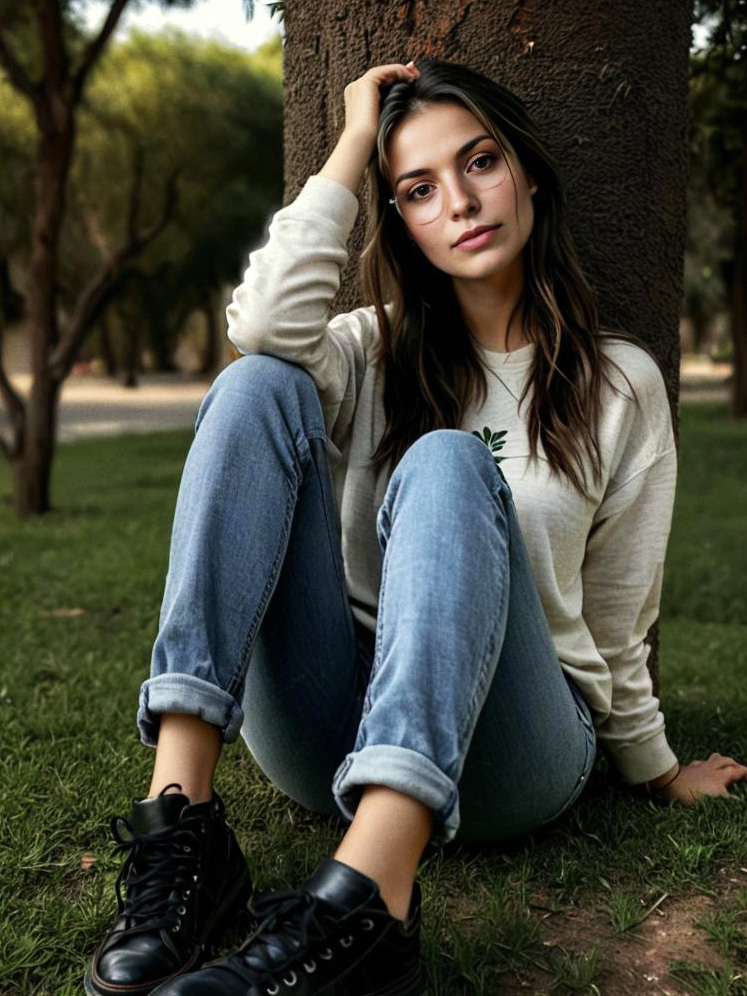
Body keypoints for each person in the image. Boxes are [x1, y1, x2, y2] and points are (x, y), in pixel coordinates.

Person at [84, 58, 747, 996]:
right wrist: (353, 144)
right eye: (419, 190)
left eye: (479, 162)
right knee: (254, 381)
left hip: (515, 747)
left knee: (445, 460)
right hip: (334, 730)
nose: (462, 204)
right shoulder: (364, 349)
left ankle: (370, 900)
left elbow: (615, 614)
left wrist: (654, 765)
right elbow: (263, 324)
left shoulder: (619, 383)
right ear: (395, 216)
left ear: (524, 170)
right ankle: (181, 826)